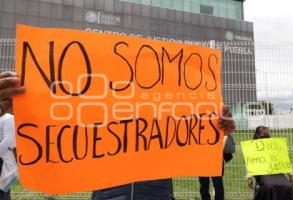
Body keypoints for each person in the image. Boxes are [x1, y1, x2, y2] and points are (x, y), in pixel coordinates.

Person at [0, 71, 235, 200]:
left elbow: (204, 154)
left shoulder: (165, 127)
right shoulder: (95, 127)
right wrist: (15, 110)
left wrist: (217, 130)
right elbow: (50, 145)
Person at [247, 126, 293, 200]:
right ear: (257, 135)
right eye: (263, 132)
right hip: (262, 174)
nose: (266, 133)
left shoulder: (275, 146)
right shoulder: (253, 147)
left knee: (288, 186)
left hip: (278, 173)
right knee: (269, 186)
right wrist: (249, 177)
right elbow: (251, 163)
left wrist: (290, 174)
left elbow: (284, 160)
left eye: (267, 132)